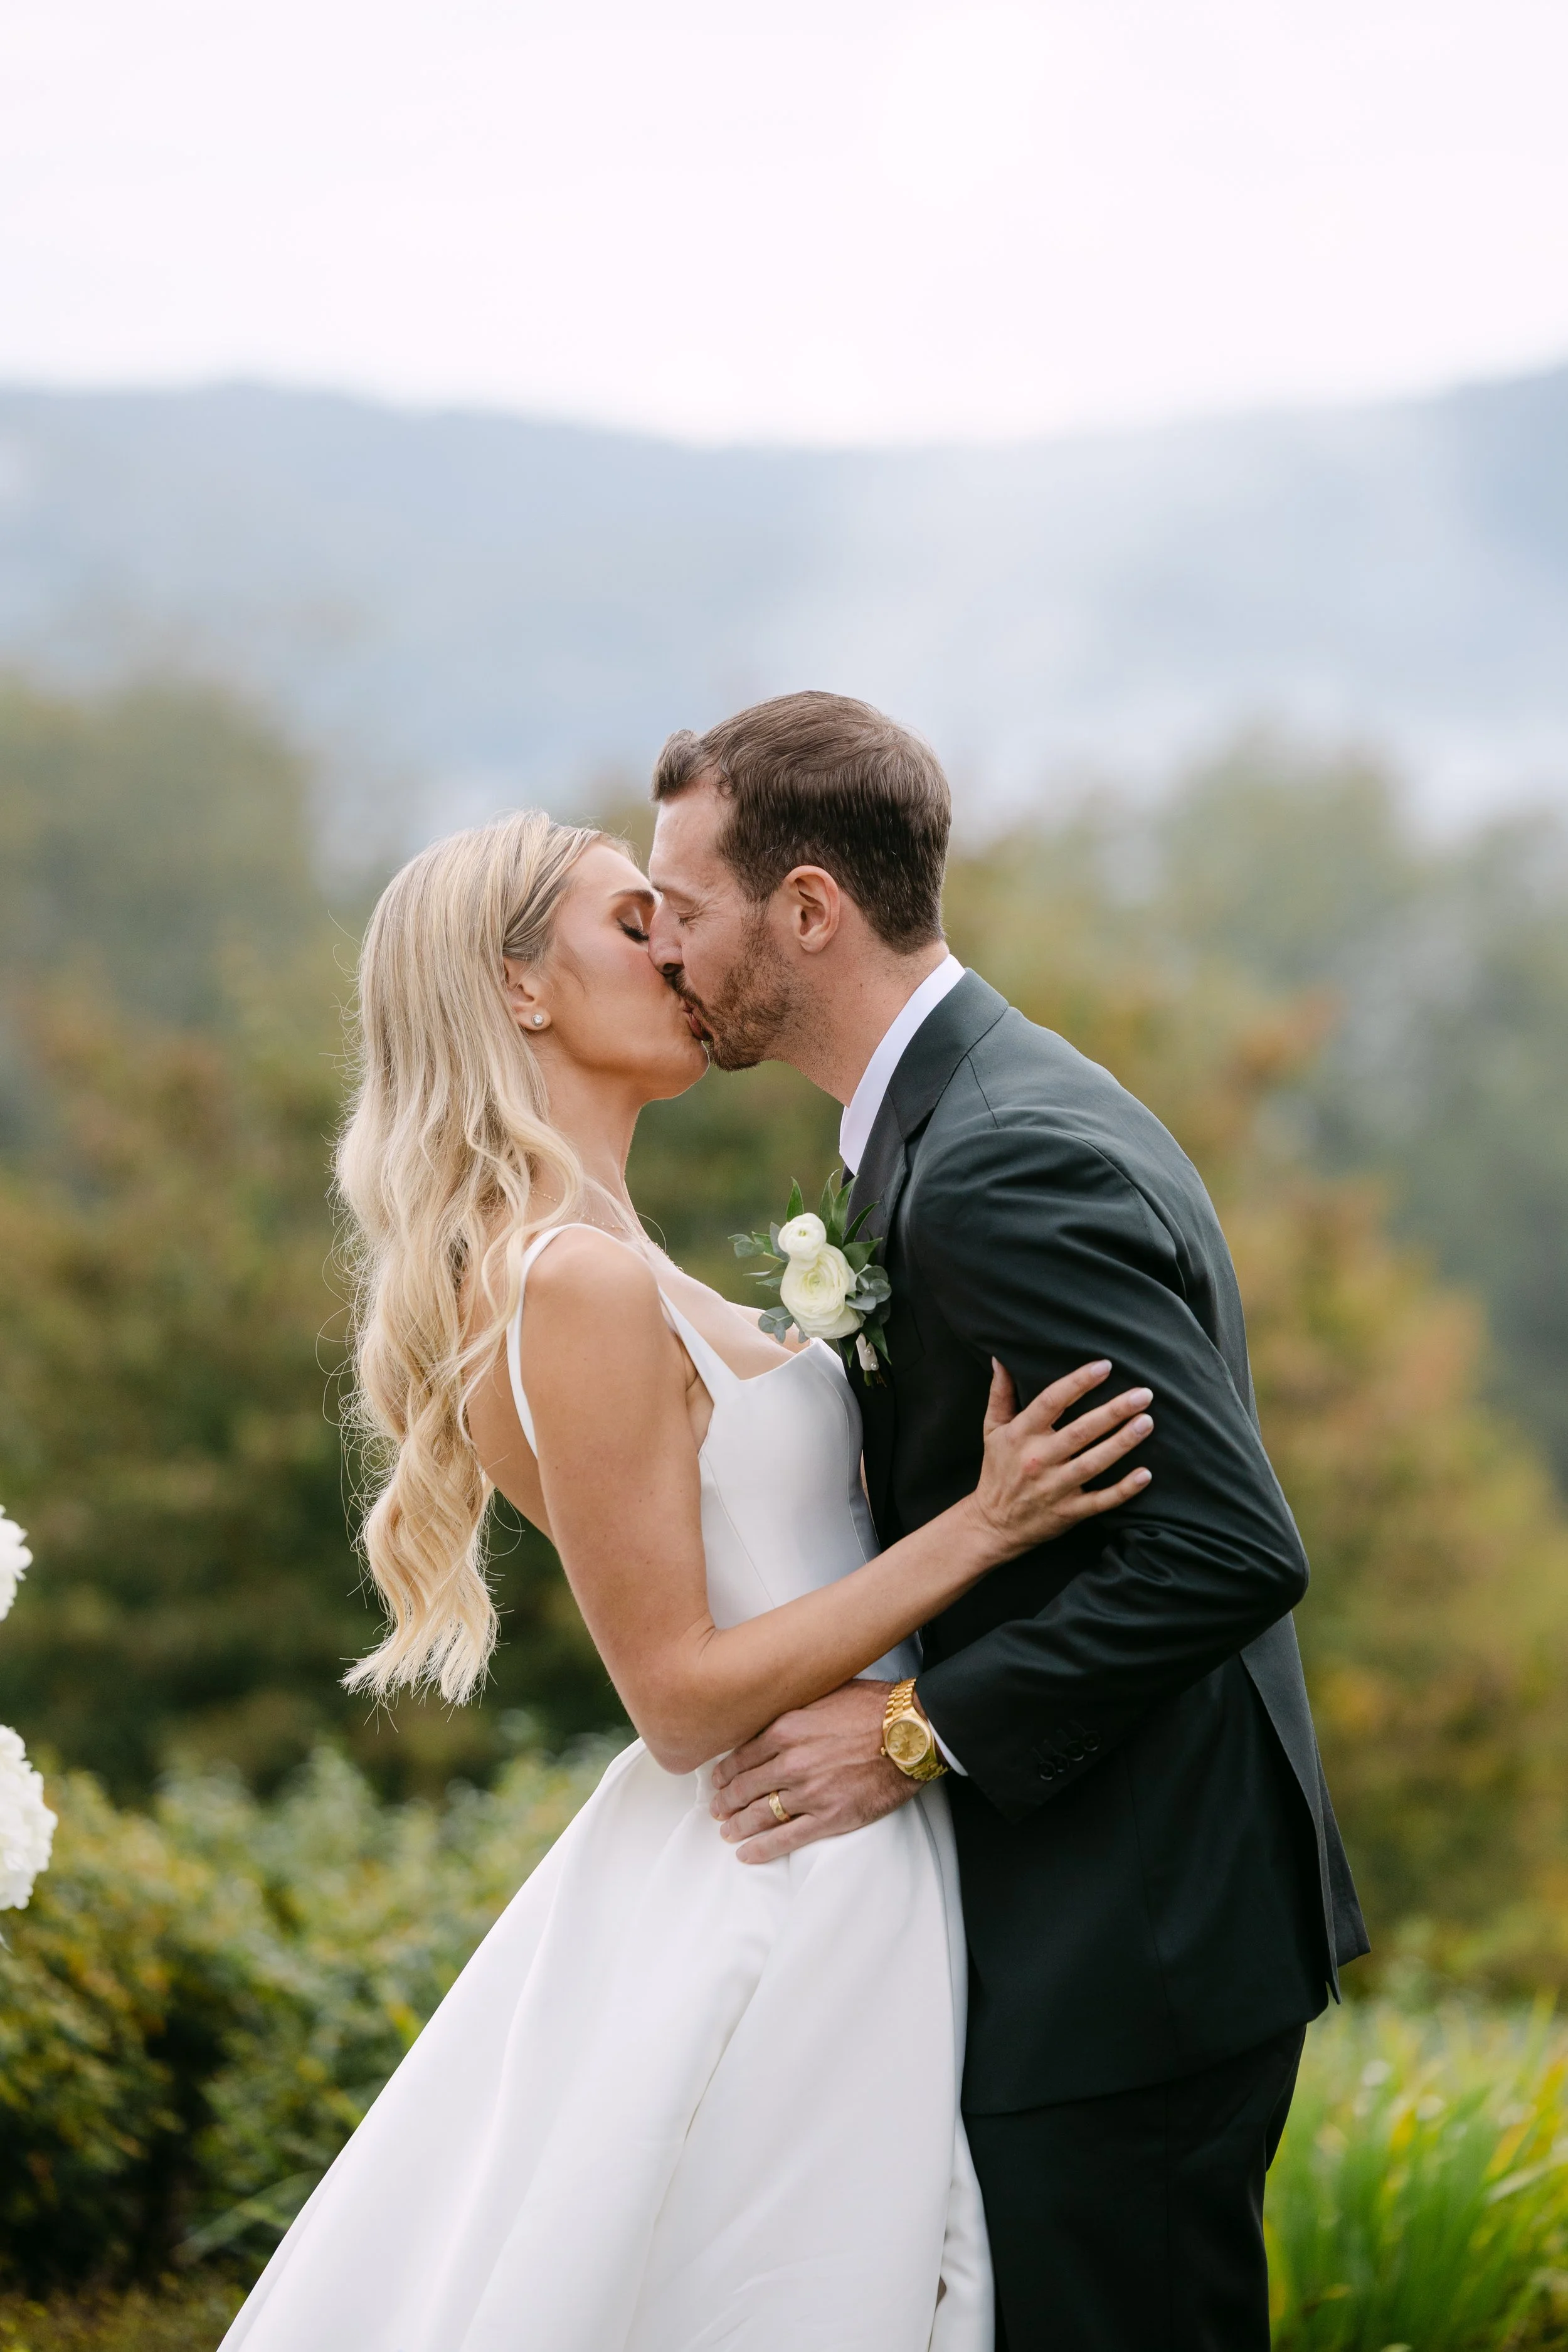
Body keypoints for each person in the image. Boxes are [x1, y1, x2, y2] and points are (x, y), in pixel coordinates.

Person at [221, 810, 1153, 2352]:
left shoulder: (608, 1253)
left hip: (855, 1846)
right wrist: (979, 1530)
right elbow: (674, 1694)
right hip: (784, 1863)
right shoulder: (568, 1280)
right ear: (518, 988)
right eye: (625, 920)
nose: (672, 945)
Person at [647, 691, 1369, 2352]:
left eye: (685, 908)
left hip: (1133, 1933)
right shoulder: (947, 1114)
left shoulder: (996, 1157)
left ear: (809, 907)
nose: (667, 949)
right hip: (1096, 1912)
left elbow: (1224, 1544)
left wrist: (910, 1728)